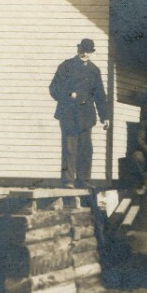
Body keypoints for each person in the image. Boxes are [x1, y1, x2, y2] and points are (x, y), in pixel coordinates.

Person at [48, 38, 110, 188]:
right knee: (69, 148)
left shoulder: (94, 70)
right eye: (82, 50)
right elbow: (53, 88)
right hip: (68, 114)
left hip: (86, 115)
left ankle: (84, 180)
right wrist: (69, 95)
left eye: (88, 51)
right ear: (78, 50)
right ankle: (68, 181)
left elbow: (100, 94)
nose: (85, 54)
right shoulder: (66, 66)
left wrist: (105, 116)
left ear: (92, 52)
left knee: (85, 149)